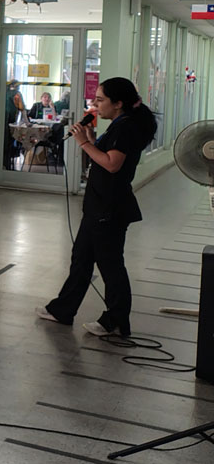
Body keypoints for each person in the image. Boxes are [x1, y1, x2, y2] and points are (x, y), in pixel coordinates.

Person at [38, 78, 156, 338]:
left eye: (100, 100)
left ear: (118, 103)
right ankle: (62, 309)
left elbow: (112, 164)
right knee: (81, 259)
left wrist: (84, 143)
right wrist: (91, 139)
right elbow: (105, 155)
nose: (94, 104)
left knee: (110, 265)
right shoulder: (118, 125)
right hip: (97, 205)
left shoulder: (126, 127)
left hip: (109, 208)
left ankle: (116, 320)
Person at [3, 80, 25, 171]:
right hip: (10, 122)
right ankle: (8, 166)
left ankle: (3, 165)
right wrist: (27, 122)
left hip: (1, 121)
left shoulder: (2, 93)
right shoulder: (17, 94)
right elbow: (22, 109)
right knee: (8, 144)